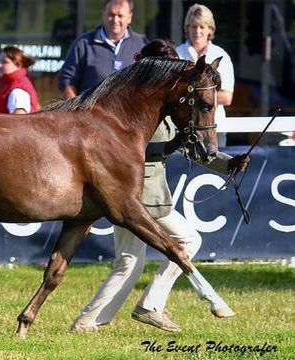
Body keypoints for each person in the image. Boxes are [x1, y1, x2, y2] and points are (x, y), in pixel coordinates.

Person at [70, 39, 250, 333]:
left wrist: (228, 163)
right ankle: (148, 306)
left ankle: (89, 321)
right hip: (141, 195)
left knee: (129, 262)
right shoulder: (139, 103)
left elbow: (194, 148)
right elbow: (146, 147)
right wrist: (172, 143)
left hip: (138, 195)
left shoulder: (164, 103)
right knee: (187, 241)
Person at [58, 0, 147, 98]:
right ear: (103, 14)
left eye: (120, 16)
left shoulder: (142, 44)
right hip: (90, 111)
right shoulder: (83, 44)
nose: (115, 20)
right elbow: (66, 80)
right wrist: (76, 110)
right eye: (111, 14)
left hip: (129, 111)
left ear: (129, 17)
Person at [176, 4, 234, 147]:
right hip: (180, 129)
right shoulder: (177, 54)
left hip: (213, 129)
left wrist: (192, 95)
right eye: (193, 27)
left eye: (202, 27)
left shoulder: (221, 56)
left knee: (214, 168)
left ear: (210, 29)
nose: (197, 31)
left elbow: (227, 97)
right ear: (187, 29)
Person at [0, 45, 39, 114]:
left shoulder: (18, 89)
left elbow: (20, 120)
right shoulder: (9, 84)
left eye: (4, 62)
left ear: (19, 65)